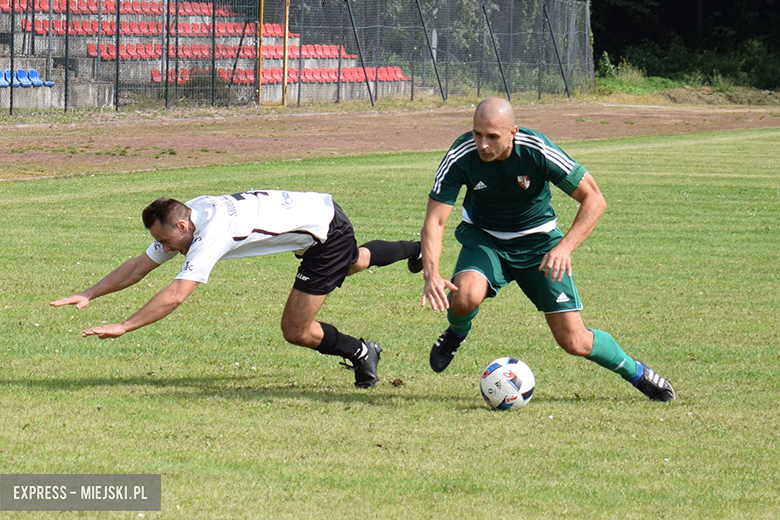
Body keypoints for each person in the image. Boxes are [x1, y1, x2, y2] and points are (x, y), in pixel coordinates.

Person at [419, 97, 675, 401]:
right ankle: (457, 332)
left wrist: (564, 248)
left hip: (539, 243)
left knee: (574, 341)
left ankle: (637, 372)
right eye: (477, 134)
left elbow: (594, 199)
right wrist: (431, 274)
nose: (482, 144)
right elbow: (435, 221)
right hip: (485, 238)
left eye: (492, 136)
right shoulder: (462, 154)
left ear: (513, 132)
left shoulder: (537, 149)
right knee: (462, 297)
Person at [51, 190, 422, 389]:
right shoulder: (192, 213)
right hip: (315, 210)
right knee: (355, 261)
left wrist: (125, 326)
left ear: (182, 225)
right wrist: (89, 293)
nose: (163, 247)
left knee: (296, 329)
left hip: (324, 232)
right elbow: (138, 265)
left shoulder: (211, 234)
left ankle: (362, 350)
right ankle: (414, 249)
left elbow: (177, 294)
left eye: (165, 240)